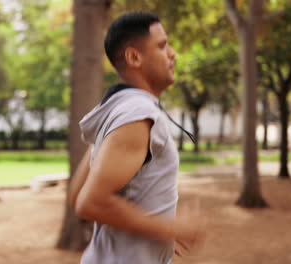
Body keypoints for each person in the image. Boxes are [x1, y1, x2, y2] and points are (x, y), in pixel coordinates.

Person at [67, 11, 207, 264]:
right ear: (134, 57)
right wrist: (171, 228)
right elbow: (89, 203)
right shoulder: (137, 113)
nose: (172, 53)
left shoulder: (120, 110)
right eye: (162, 46)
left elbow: (77, 194)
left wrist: (154, 231)